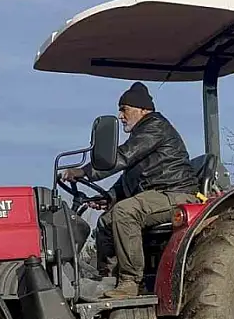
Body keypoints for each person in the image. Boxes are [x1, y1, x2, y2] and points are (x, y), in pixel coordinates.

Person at [60, 81, 200, 298]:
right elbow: (129, 178)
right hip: (155, 194)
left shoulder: (154, 126)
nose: (120, 115)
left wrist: (84, 171)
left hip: (175, 193)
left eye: (124, 109)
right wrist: (109, 197)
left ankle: (131, 281)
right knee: (106, 220)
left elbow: (124, 156)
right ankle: (107, 278)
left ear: (142, 110)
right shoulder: (141, 136)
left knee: (125, 213)